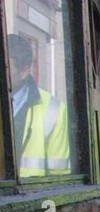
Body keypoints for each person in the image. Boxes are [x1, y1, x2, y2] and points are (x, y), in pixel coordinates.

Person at [7, 33, 70, 175]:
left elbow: (59, 175)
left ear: (24, 71)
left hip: (30, 195)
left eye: (5, 66)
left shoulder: (54, 110)